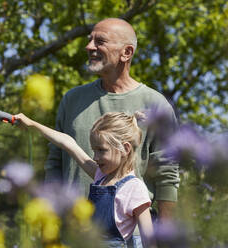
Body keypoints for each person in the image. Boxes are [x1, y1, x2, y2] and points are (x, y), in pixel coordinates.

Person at [44, 18, 179, 224]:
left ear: (126, 53)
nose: (89, 47)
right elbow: (54, 164)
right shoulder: (72, 100)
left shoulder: (156, 106)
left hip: (130, 237)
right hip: (73, 233)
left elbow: (167, 176)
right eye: (90, 40)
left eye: (100, 41)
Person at [15, 112, 157, 248]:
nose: (95, 157)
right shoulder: (100, 176)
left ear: (125, 149)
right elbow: (68, 143)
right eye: (94, 150)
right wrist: (32, 124)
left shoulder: (135, 188)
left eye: (101, 150)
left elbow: (149, 241)